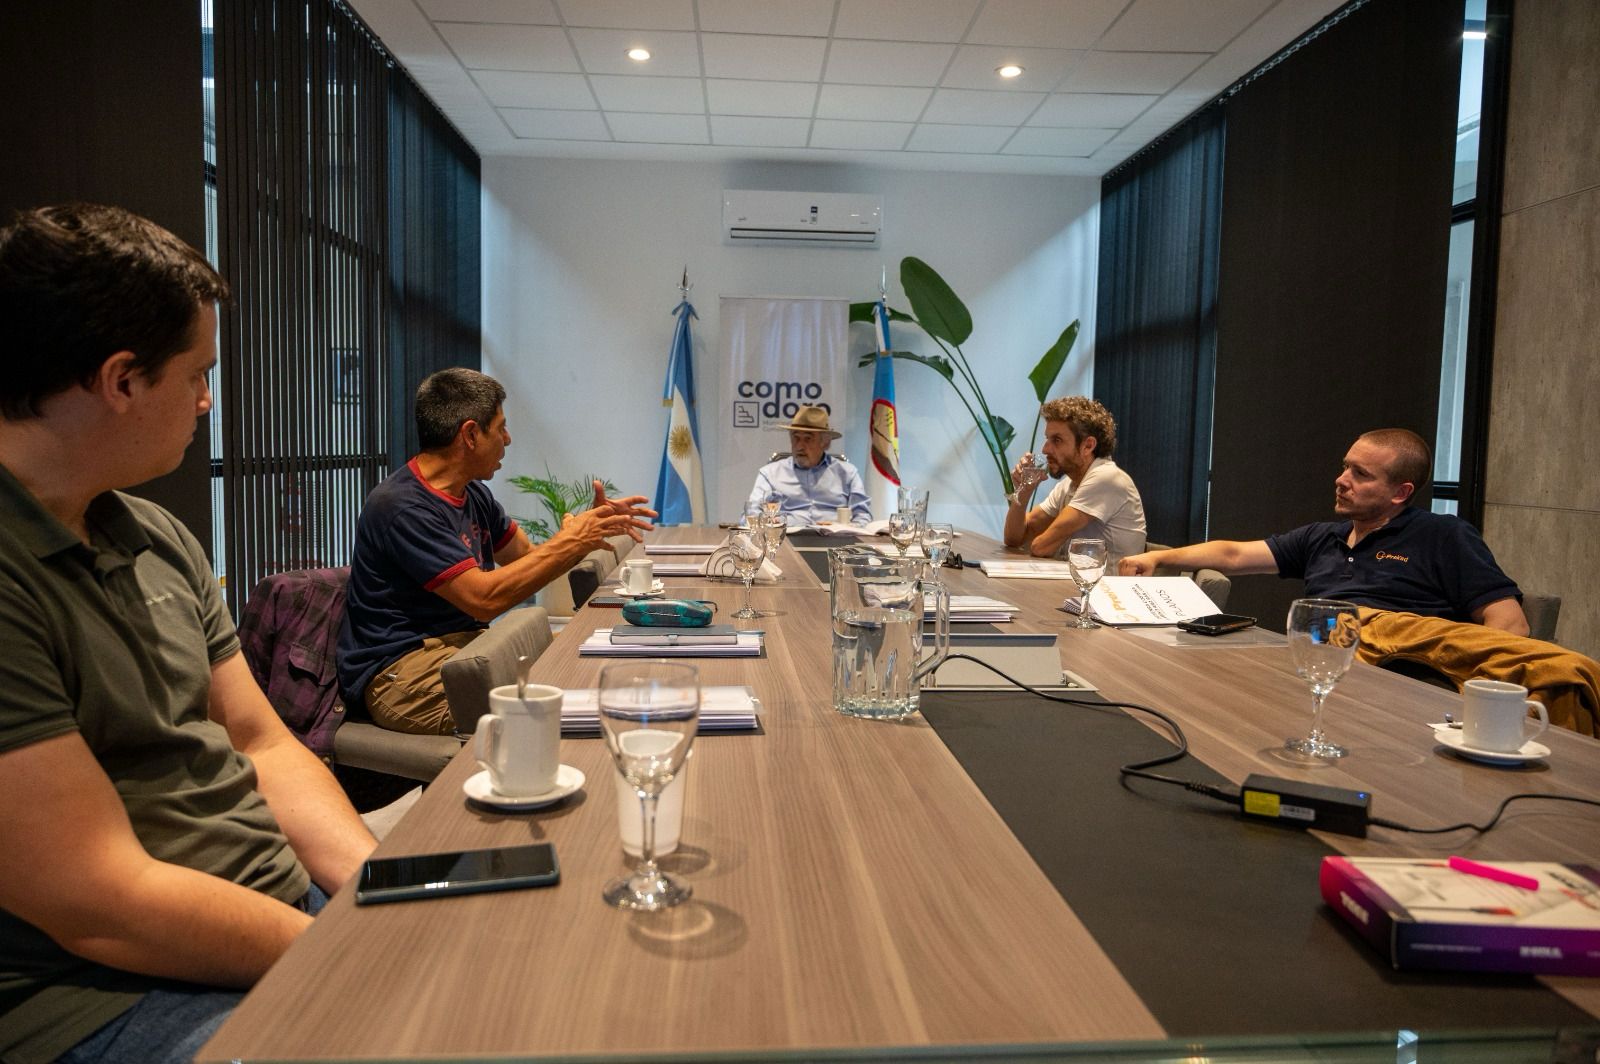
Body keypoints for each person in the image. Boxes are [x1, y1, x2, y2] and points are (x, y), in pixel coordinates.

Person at [0, 203, 377, 1064]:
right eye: (198, 373)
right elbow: (102, 903)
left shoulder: (153, 534)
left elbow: (260, 743)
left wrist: (375, 890)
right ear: (121, 380)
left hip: (276, 919)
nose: (208, 399)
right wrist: (341, 956)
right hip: (109, 996)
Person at [337, 368, 655, 735]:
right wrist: (570, 542)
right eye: (500, 428)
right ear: (471, 434)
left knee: (580, 666)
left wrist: (582, 533)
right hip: (404, 670)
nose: (508, 438)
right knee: (550, 706)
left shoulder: (473, 493)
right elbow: (483, 600)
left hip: (466, 649)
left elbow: (527, 559)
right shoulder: (402, 506)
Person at [1119, 428, 1529, 635]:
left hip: (1399, 682)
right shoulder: (1324, 537)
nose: (1341, 480)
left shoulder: (1443, 535)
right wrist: (1158, 557)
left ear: (1400, 492)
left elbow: (1510, 624)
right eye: (1345, 467)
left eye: (1360, 474)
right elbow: (1235, 555)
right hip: (1319, 671)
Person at [1002, 396, 1147, 567]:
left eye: (1057, 440)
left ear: (1088, 446)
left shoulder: (1107, 478)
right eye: (1047, 439)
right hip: (1078, 582)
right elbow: (1014, 539)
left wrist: (1040, 541)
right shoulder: (1068, 484)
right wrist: (1023, 492)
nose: (1045, 449)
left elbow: (1041, 547)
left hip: (1106, 584)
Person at [747, 405, 871, 527]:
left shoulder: (847, 473)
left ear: (825, 443)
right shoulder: (770, 474)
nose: (800, 446)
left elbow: (863, 517)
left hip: (834, 538)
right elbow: (751, 514)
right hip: (785, 536)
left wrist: (848, 529)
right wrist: (769, 523)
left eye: (808, 439)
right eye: (796, 438)